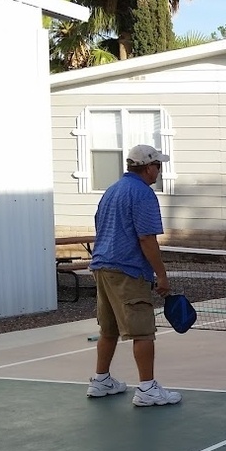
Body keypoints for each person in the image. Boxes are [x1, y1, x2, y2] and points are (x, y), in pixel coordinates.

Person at [85, 144, 183, 406]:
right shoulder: (143, 194)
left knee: (109, 329)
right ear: (149, 167)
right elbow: (146, 239)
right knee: (143, 332)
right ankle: (147, 389)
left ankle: (101, 380)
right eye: (158, 166)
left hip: (102, 268)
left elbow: (100, 227)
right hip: (128, 270)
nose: (159, 171)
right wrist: (161, 275)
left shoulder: (112, 191)